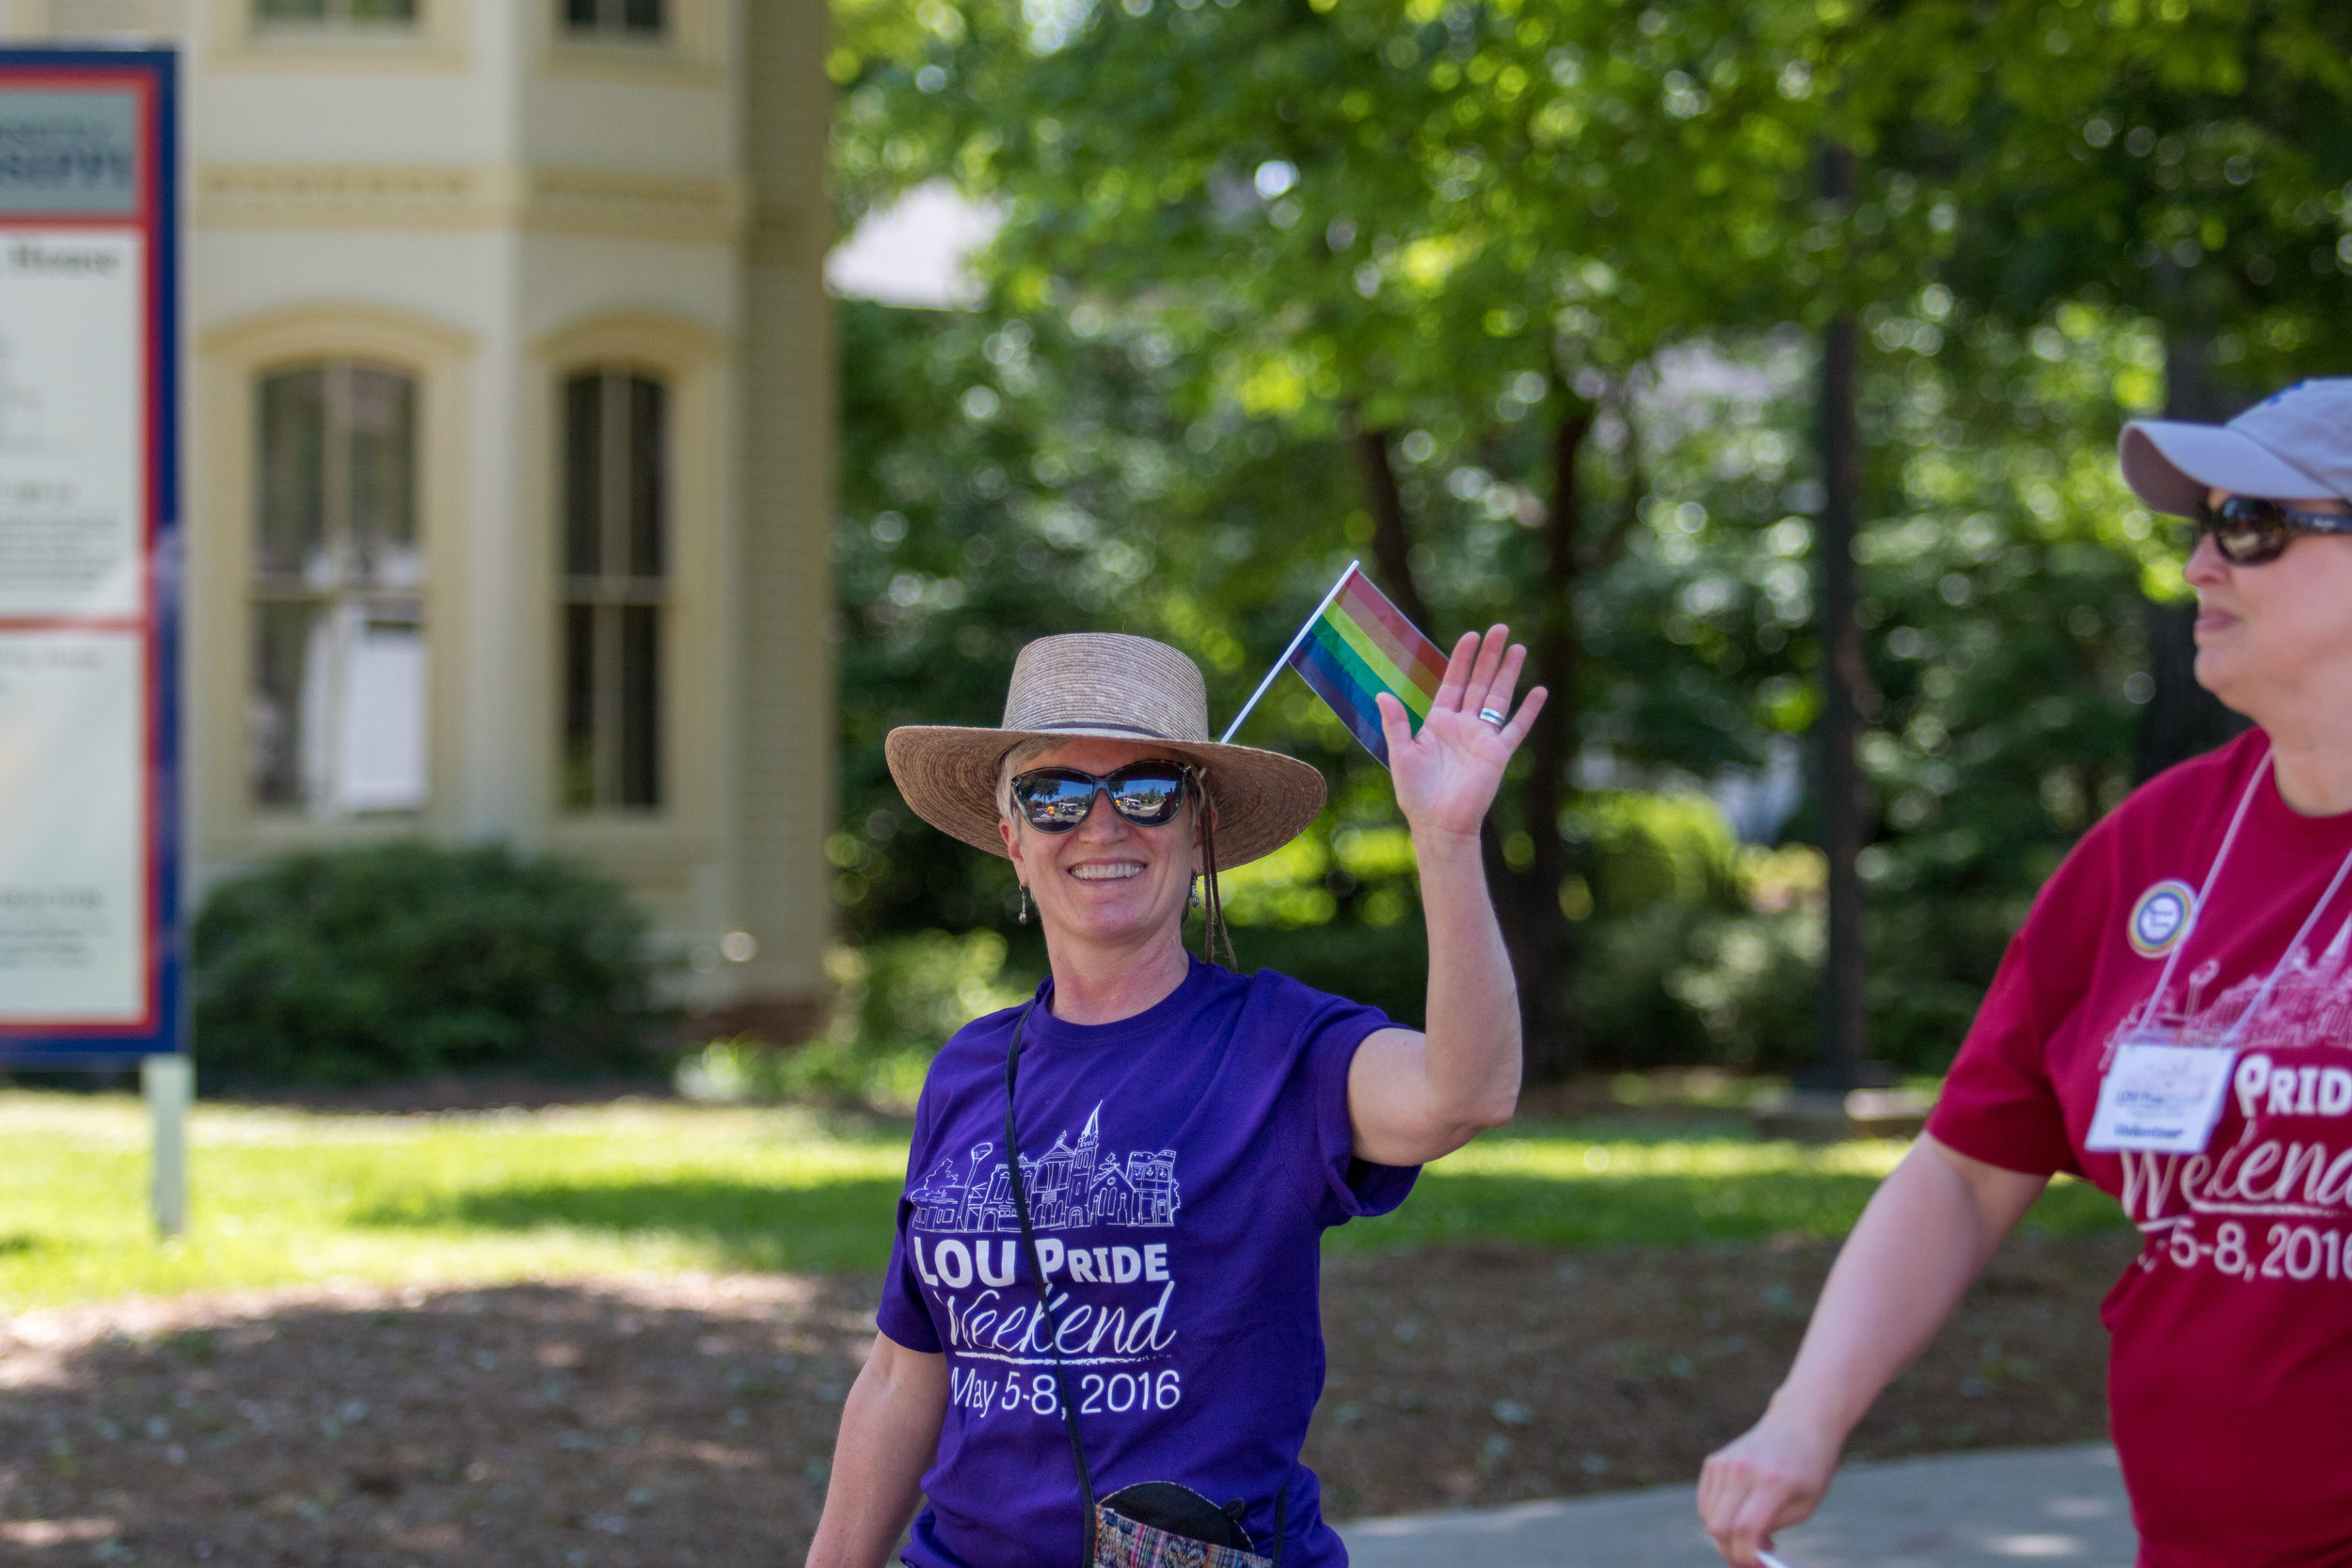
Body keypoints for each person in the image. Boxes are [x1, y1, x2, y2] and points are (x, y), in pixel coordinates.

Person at [1698, 376, 2352, 1568]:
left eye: (2249, 524)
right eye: (2200, 525)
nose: (2200, 565)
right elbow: (1964, 1168)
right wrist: (1805, 1415)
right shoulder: (2150, 849)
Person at [804, 626, 1546, 1568]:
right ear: (1013, 842)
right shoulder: (968, 1067)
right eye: (1055, 794)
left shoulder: (1284, 1045)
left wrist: (1445, 839)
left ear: (1197, 832)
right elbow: (905, 1373)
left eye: (1146, 791)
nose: (1100, 823)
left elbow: (1464, 1093)